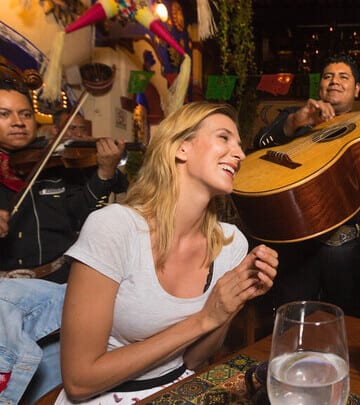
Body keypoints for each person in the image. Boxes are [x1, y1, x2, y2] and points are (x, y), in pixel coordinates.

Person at [55, 101, 278, 404]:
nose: (240, 154)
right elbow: (79, 381)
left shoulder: (230, 243)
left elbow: (192, 360)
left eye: (239, 144)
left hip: (179, 389)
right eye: (224, 138)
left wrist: (231, 303)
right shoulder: (114, 228)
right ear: (181, 148)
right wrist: (203, 318)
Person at [253, 54, 360, 318]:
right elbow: (260, 144)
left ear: (357, 89)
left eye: (344, 76)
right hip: (300, 244)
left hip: (352, 249)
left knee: (346, 325)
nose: (334, 81)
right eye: (328, 76)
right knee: (292, 321)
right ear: (319, 85)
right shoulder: (298, 118)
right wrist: (296, 121)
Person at [0, 78, 126, 404]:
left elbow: (79, 213)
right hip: (5, 307)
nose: (18, 122)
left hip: (58, 293)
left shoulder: (56, 163)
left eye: (25, 114)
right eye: (5, 114)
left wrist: (103, 171)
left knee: (54, 391)